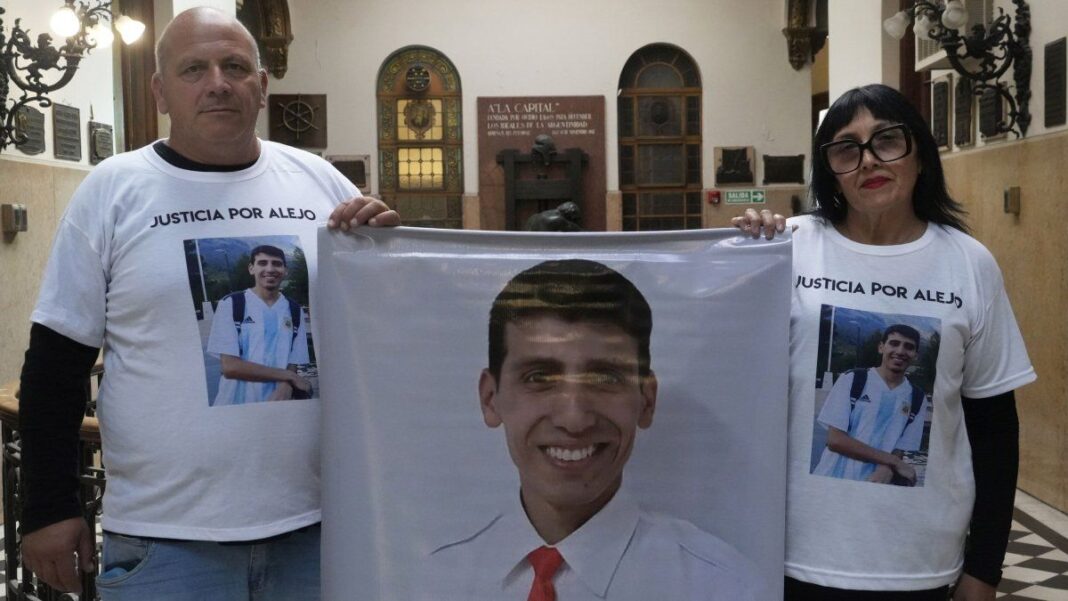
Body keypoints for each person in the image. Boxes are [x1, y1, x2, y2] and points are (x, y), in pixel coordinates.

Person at [17, 7, 398, 600]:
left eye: (235, 66)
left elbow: (384, 336)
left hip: (319, 531)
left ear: (262, 86)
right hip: (165, 543)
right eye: (193, 68)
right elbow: (55, 364)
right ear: (160, 91)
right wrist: (46, 507)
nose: (217, 82)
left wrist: (390, 253)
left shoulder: (322, 184)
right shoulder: (113, 192)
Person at [734, 83, 1036, 600]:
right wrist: (740, 252)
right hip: (789, 557)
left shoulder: (968, 263)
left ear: (919, 152)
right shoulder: (788, 248)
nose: (869, 161)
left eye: (887, 141)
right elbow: (730, 385)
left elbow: (994, 433)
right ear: (831, 170)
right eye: (846, 150)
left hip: (918, 564)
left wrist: (984, 570)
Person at [423, 259, 764, 601]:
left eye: (605, 377)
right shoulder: (430, 585)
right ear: (490, 398)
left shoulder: (726, 588)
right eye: (539, 377)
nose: (574, 420)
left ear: (646, 401)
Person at [812, 324, 929, 485]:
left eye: (909, 347)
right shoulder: (852, 380)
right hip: (832, 479)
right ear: (881, 347)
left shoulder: (918, 398)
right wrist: (893, 463)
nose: (901, 351)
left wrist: (886, 469)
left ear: (915, 355)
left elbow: (899, 448)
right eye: (894, 343)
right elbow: (836, 440)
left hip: (876, 485)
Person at [207, 244, 312, 405]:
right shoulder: (231, 304)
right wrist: (289, 377)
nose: (270, 269)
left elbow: (293, 362)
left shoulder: (295, 310)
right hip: (234, 406)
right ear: (251, 269)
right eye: (262, 263)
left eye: (277, 263)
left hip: (278, 405)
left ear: (285, 270)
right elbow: (230, 367)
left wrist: (286, 384)